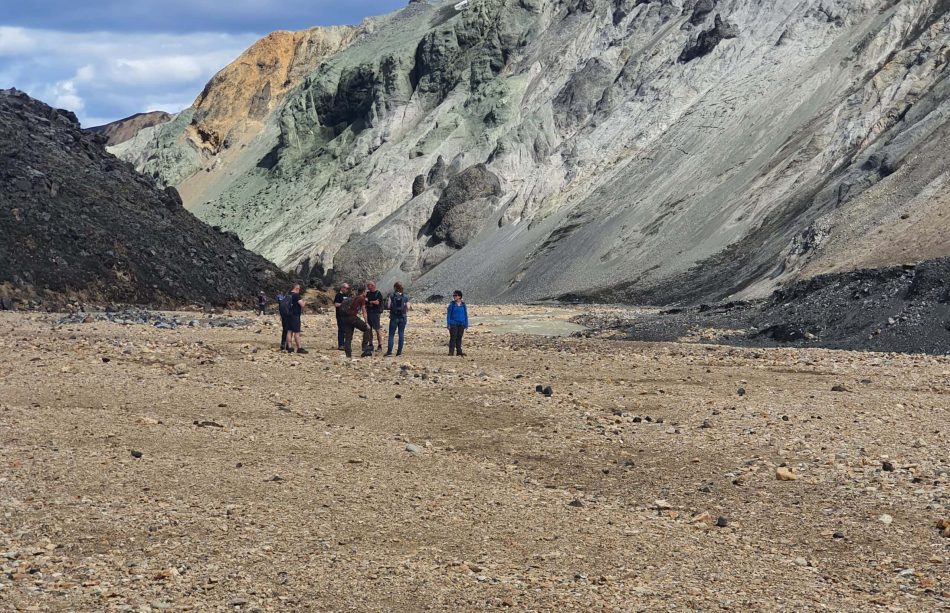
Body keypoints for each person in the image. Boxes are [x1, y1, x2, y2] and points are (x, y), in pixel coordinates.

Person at [343, 286, 373, 358]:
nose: (366, 293)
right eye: (366, 292)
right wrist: (366, 322)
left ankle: (348, 354)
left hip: (346, 318)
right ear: (363, 292)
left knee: (348, 337)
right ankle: (364, 347)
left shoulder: (354, 297)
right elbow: (364, 311)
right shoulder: (361, 298)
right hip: (353, 318)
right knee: (367, 329)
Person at [384, 282, 410, 357]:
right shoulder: (405, 296)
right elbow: (408, 307)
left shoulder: (392, 296)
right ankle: (399, 352)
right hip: (403, 317)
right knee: (401, 334)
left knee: (391, 335)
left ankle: (389, 352)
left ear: (395, 287)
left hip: (394, 317)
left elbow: (388, 306)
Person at [286, 283, 308, 354]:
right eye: (299, 289)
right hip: (295, 315)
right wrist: (304, 301)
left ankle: (289, 347)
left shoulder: (288, 295)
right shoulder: (296, 295)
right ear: (296, 288)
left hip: (288, 315)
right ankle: (299, 348)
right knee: (296, 332)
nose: (299, 290)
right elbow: (302, 305)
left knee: (289, 331)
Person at [446, 290, 469, 357]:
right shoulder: (452, 305)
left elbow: (465, 314)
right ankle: (451, 352)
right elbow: (449, 315)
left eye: (455, 295)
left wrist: (466, 324)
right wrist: (448, 324)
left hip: (461, 323)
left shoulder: (463, 305)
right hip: (453, 323)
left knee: (459, 337)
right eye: (453, 295)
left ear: (459, 296)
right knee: (453, 337)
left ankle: (459, 352)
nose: (454, 297)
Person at [365, 281, 385, 351]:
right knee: (369, 329)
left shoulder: (378, 293)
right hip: (368, 312)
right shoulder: (367, 293)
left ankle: (380, 345)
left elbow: (377, 302)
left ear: (372, 286)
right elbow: (365, 301)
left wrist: (370, 301)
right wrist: (372, 301)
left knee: (377, 329)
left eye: (368, 285)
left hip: (375, 313)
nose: (367, 287)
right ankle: (370, 344)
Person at [333, 283, 351, 350]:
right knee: (341, 330)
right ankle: (341, 344)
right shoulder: (338, 295)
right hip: (340, 315)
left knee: (347, 330)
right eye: (346, 288)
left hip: (347, 315)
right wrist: (343, 304)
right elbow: (336, 304)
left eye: (348, 288)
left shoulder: (347, 295)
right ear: (342, 288)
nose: (347, 290)